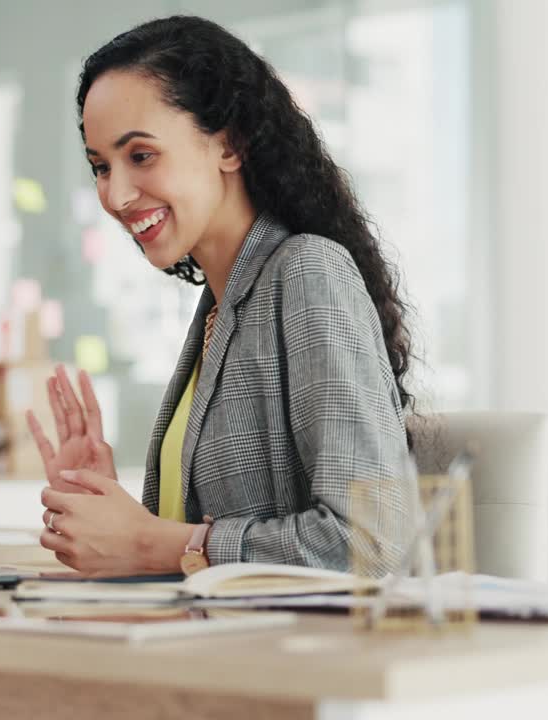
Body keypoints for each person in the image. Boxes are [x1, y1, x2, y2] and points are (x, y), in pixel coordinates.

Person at [27, 15, 415, 577]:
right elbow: (203, 554)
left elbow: (374, 544)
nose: (115, 194)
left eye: (140, 156)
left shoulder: (307, 271)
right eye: (100, 167)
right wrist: (111, 513)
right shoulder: (221, 303)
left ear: (229, 143)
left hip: (289, 660)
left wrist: (150, 544)